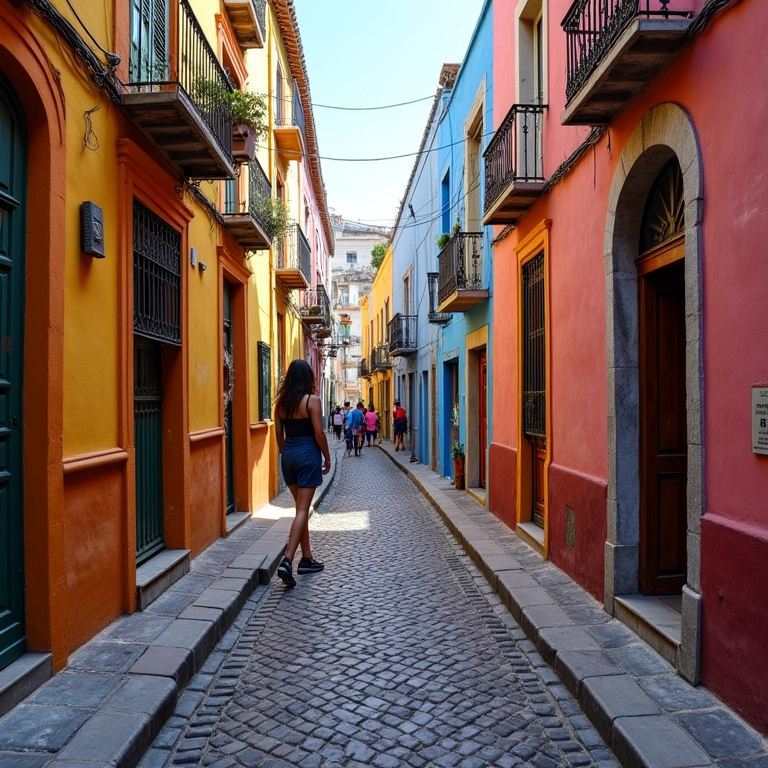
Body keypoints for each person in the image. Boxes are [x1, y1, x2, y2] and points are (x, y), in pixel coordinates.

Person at [274, 359, 331, 587]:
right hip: (307, 454)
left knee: (301, 509)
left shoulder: (280, 404)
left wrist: (285, 451)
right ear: (308, 378)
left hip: (288, 455)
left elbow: (279, 434)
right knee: (302, 511)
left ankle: (306, 559)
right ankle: (287, 560)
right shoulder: (312, 401)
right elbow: (319, 433)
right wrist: (326, 457)